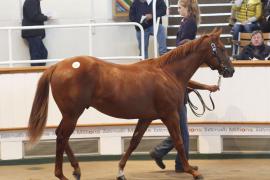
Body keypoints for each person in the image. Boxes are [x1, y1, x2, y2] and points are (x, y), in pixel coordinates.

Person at [149, 0, 219, 173]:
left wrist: (182, 47)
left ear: (188, 8)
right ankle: (176, 161)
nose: (177, 9)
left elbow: (184, 44)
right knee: (182, 132)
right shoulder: (187, 22)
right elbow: (184, 45)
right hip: (179, 91)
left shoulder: (189, 23)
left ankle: (172, 158)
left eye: (180, 7)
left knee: (180, 130)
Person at [21, 0, 51, 66]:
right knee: (37, 54)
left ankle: (39, 71)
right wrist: (46, 18)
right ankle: (36, 72)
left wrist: (45, 17)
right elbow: (33, 16)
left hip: (33, 32)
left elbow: (35, 15)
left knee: (42, 53)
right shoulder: (32, 1)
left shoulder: (33, 1)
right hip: (33, 33)